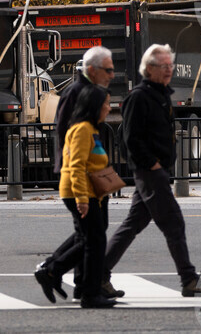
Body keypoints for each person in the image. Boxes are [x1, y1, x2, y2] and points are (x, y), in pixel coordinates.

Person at [103, 44, 201, 298]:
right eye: (164, 66)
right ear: (149, 68)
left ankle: (98, 275)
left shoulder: (161, 95)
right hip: (150, 172)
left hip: (157, 171)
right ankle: (189, 279)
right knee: (174, 223)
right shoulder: (139, 97)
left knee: (132, 225)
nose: (169, 70)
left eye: (171, 65)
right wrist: (152, 165)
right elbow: (130, 139)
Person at [43, 46, 117, 299]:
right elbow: (66, 135)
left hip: (90, 176)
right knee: (90, 235)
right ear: (92, 70)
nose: (112, 75)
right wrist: (78, 184)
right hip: (79, 176)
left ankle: (81, 281)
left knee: (91, 232)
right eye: (108, 70)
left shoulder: (93, 93)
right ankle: (62, 274)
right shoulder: (77, 93)